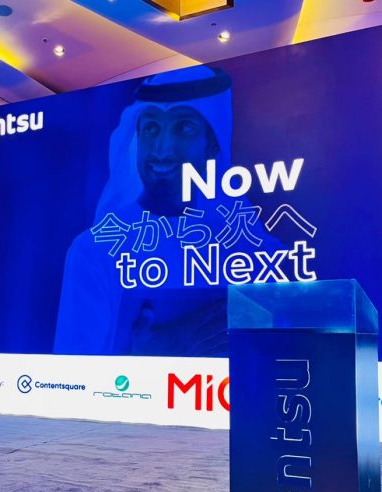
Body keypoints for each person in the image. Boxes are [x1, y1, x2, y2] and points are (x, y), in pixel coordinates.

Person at [54, 66, 277, 357]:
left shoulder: (253, 250)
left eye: (183, 128)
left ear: (212, 143)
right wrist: (151, 354)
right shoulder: (94, 251)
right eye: (151, 129)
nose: (161, 150)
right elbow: (71, 374)